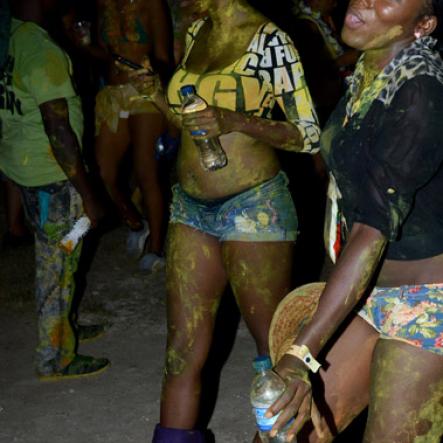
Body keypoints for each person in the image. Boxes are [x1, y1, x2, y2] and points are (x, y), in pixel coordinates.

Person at [137, 0, 321, 440]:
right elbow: (192, 123)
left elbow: (310, 132)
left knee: (273, 354)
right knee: (181, 353)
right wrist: (157, 97)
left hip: (254, 206)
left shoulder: (271, 40)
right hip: (189, 207)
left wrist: (236, 120)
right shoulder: (198, 31)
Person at [266, 0, 443, 440]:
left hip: (428, 304)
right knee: (286, 431)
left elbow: (372, 227)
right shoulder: (371, 72)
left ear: (422, 25)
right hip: (366, 291)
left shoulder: (421, 91)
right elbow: (345, 204)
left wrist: (302, 353)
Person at [0, 0, 110, 379]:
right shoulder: (40, 49)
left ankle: (64, 330)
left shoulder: (10, 37)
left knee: (60, 258)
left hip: (29, 170)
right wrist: (89, 194)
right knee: (57, 268)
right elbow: (58, 130)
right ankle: (54, 357)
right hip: (54, 179)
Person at [71, 0, 173, 271]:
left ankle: (155, 249)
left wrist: (157, 88)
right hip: (113, 93)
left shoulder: (152, 4)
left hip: (144, 92)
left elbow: (163, 56)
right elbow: (106, 55)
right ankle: (137, 223)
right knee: (102, 172)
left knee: (145, 171)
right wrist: (83, 47)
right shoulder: (103, 5)